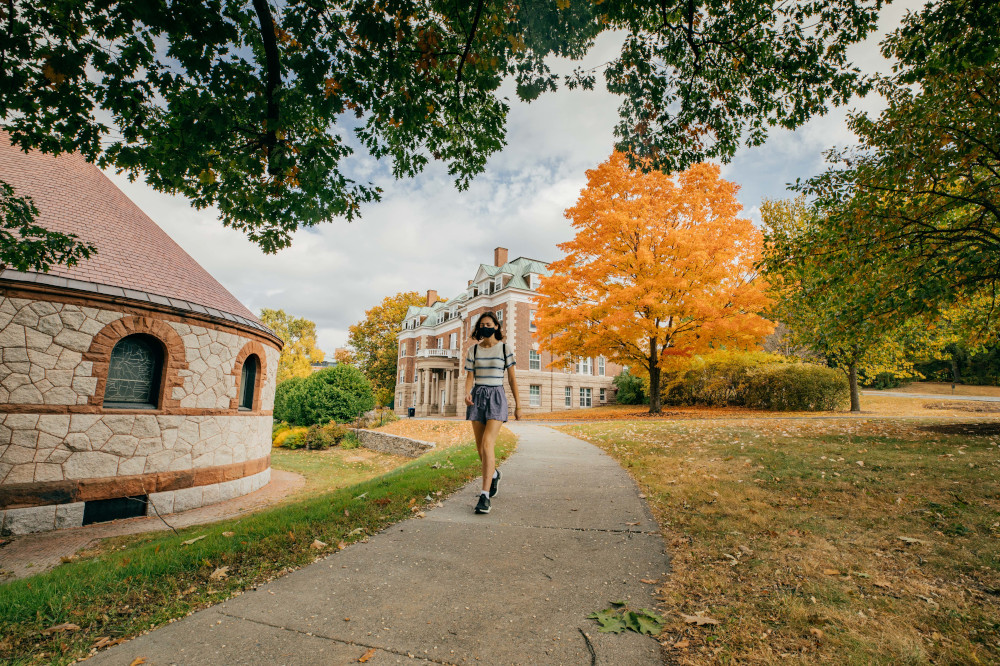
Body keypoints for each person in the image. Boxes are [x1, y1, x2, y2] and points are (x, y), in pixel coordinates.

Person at [464, 311, 520, 514]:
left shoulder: (505, 348)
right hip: (477, 396)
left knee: (488, 444)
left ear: (496, 326)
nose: (485, 327)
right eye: (482, 324)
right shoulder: (473, 351)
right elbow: (469, 376)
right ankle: (494, 474)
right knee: (481, 449)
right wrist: (467, 393)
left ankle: (484, 496)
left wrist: (518, 405)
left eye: (489, 323)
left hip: (496, 396)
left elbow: (512, 379)